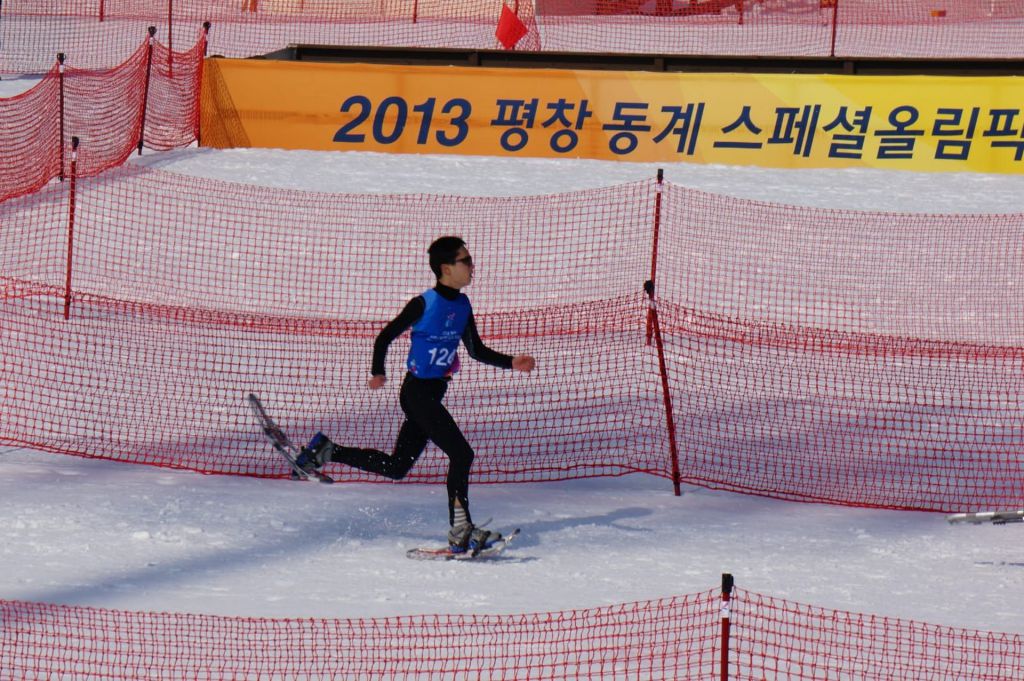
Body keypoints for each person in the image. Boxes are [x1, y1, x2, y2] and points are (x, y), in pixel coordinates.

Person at [295, 236, 536, 553]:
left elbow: (475, 350)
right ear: (446, 268)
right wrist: (378, 372)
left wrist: (511, 362)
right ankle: (461, 529)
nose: (472, 266)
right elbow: (385, 336)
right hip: (417, 393)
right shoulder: (424, 303)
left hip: (432, 394)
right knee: (462, 454)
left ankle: (325, 451)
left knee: (397, 467)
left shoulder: (462, 305)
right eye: (465, 261)